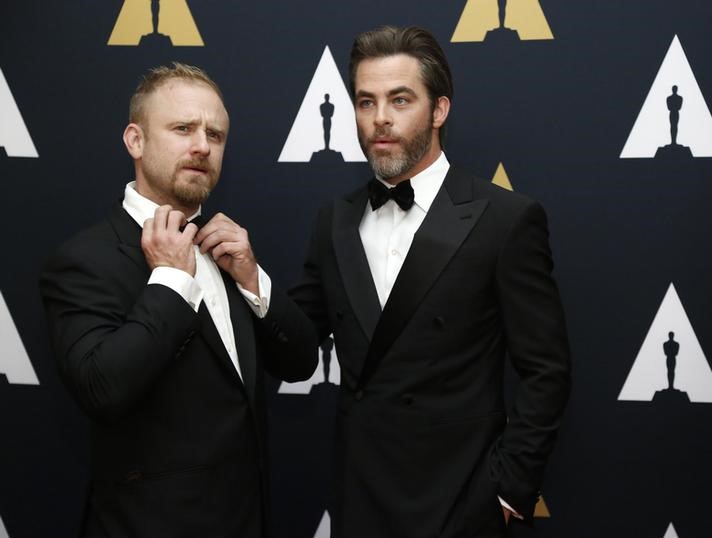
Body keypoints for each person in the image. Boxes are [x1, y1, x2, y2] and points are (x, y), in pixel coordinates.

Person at [289, 26, 571, 537]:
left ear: (439, 110)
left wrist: (507, 489)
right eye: (366, 101)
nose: (380, 120)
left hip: (460, 499)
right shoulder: (333, 220)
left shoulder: (506, 218)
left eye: (400, 100)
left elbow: (546, 370)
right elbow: (295, 343)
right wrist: (247, 278)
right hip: (361, 498)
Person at [39, 63, 317, 538]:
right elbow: (102, 389)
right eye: (183, 128)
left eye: (216, 134)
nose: (202, 146)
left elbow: (301, 361)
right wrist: (169, 278)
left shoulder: (229, 252)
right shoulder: (83, 259)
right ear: (135, 140)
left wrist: (252, 278)